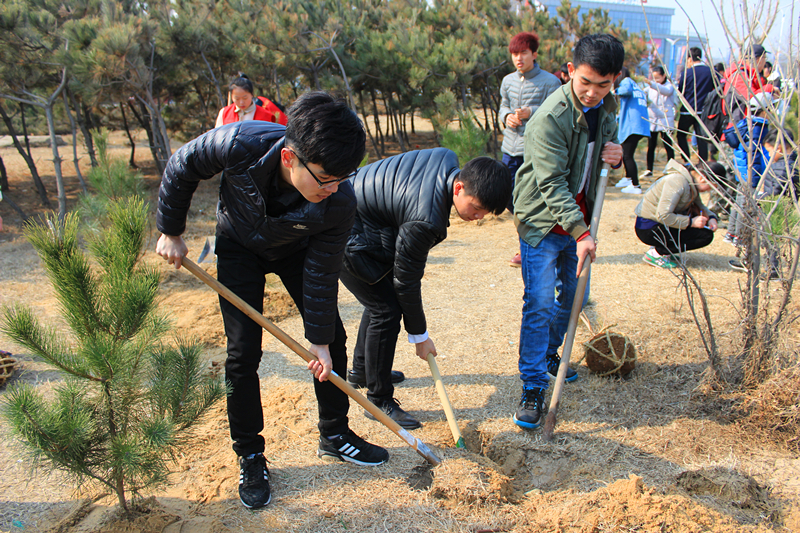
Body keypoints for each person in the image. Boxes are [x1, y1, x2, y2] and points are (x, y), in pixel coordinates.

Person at [155, 92, 387, 510]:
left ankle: (335, 433)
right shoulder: (239, 143)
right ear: (288, 158)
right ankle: (250, 454)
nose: (332, 188)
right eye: (324, 178)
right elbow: (182, 164)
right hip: (238, 244)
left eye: (342, 178)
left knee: (332, 338)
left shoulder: (338, 201)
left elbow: (322, 271)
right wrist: (171, 230)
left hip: (296, 248)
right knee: (243, 353)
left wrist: (318, 340)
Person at [340, 150, 511, 429]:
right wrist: (420, 336)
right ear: (459, 187)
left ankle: (362, 371)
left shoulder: (447, 160)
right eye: (477, 208)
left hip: (359, 216)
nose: (479, 217)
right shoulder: (426, 218)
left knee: (380, 299)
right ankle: (378, 400)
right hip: (343, 228)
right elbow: (406, 281)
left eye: (485, 213)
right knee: (385, 310)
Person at [512, 34, 624, 429]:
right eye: (585, 82)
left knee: (576, 296)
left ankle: (548, 353)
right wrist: (580, 233)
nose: (592, 92)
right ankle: (533, 384)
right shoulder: (550, 117)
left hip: (579, 222)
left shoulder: (608, 110)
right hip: (543, 222)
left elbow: (602, 166)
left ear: (614, 80)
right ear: (571, 71)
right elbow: (552, 184)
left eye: (603, 84)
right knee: (540, 301)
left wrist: (618, 157)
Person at [498, 31, 561, 267]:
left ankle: (529, 247)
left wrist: (531, 112)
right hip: (510, 148)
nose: (518, 58)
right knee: (506, 195)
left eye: (523, 53)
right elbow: (503, 106)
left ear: (534, 54)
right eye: (514, 54)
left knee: (531, 200)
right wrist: (507, 117)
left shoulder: (551, 82)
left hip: (534, 151)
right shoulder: (508, 81)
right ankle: (534, 240)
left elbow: (557, 113)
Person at [634, 160, 725, 268]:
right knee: (705, 236)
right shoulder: (677, 182)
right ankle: (657, 253)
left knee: (704, 230)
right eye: (712, 186)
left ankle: (663, 251)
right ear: (702, 178)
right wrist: (691, 222)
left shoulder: (689, 181)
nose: (709, 190)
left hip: (656, 224)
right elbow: (663, 215)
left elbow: (700, 205)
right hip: (649, 228)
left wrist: (711, 218)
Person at [721, 92, 772, 248]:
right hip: (750, 174)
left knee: (739, 203)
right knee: (745, 206)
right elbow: (755, 155)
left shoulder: (748, 123)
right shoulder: (758, 128)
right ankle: (740, 237)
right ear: (765, 110)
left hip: (742, 172)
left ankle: (731, 233)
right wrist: (757, 178)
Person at [613, 67, 650, 194]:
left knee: (628, 155)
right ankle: (628, 178)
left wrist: (614, 91)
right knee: (626, 152)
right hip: (639, 125)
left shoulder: (626, 82)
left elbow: (625, 91)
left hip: (633, 126)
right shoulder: (636, 86)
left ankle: (635, 185)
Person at [676, 47, 714, 163]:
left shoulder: (686, 73)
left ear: (689, 59)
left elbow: (681, 91)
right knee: (701, 137)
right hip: (704, 110)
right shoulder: (710, 72)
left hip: (688, 110)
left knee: (681, 134)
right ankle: (703, 163)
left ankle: (687, 160)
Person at [214, 74, 288, 128]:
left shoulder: (266, 115)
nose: (241, 102)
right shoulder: (224, 113)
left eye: (245, 98)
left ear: (252, 94)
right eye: (237, 99)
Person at [642, 65, 677, 179]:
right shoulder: (650, 87)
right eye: (654, 78)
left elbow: (665, 91)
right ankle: (649, 169)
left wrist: (652, 84)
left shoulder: (669, 86)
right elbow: (643, 93)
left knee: (668, 144)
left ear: (664, 76)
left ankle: (670, 168)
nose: (656, 80)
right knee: (651, 146)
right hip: (653, 120)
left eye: (658, 78)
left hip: (665, 119)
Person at [723, 44, 769, 126]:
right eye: (765, 58)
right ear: (759, 59)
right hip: (738, 127)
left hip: (748, 124)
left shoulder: (751, 75)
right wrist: (769, 88)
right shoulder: (739, 76)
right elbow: (751, 97)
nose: (765, 62)